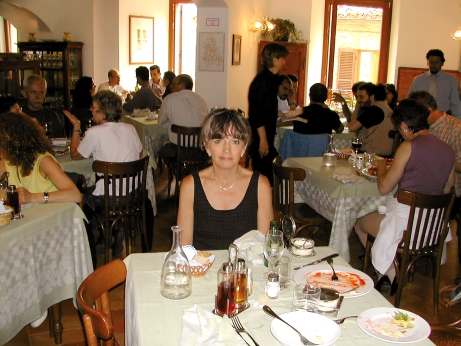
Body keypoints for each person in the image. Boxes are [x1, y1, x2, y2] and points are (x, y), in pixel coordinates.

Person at [354, 99, 455, 291]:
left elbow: (384, 188)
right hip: (432, 229)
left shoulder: (408, 147)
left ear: (404, 126)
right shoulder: (447, 150)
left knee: (359, 222)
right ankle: (394, 267)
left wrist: (381, 166)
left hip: (406, 227)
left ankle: (389, 273)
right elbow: (447, 188)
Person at [64, 90, 154, 256]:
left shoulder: (94, 133)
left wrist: (76, 127)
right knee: (96, 188)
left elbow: (75, 155)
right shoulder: (130, 128)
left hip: (108, 198)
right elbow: (140, 153)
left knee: (79, 198)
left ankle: (97, 241)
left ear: (102, 112)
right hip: (134, 194)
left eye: (94, 107)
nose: (91, 110)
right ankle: (112, 233)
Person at [178, 108, 273, 249]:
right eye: (218, 141)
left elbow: (266, 247)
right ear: (207, 146)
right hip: (202, 268)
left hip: (247, 269)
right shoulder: (190, 186)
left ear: (244, 147)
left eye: (235, 141)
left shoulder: (260, 185)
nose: (227, 149)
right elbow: (184, 248)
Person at [408, 90, 461, 263]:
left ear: (428, 109)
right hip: (423, 187)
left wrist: (439, 160)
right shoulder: (421, 128)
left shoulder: (455, 128)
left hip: (448, 193)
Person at [248, 43, 289, 185]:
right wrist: (263, 140)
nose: (285, 62)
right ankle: (262, 203)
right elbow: (257, 113)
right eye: (283, 58)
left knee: (269, 172)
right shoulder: (263, 81)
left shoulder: (271, 79)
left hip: (267, 134)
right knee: (264, 174)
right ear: (274, 59)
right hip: (261, 135)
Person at [158, 74, 208, 162]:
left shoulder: (169, 99)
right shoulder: (201, 100)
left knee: (161, 150)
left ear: (182, 86)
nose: (171, 85)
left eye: (174, 83)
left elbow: (160, 122)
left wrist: (172, 125)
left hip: (178, 150)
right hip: (199, 150)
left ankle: (174, 172)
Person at [408, 49, 461, 119]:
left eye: (436, 62)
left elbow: (456, 104)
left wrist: (458, 121)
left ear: (442, 63)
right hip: (422, 117)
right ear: (427, 63)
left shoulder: (451, 80)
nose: (433, 65)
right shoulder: (418, 80)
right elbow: (410, 100)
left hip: (443, 117)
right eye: (431, 62)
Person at [348, 83, 394, 156]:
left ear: (372, 96)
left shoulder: (375, 110)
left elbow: (352, 127)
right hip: (384, 151)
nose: (358, 100)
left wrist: (357, 107)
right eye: (357, 97)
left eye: (361, 97)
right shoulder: (384, 107)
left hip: (373, 153)